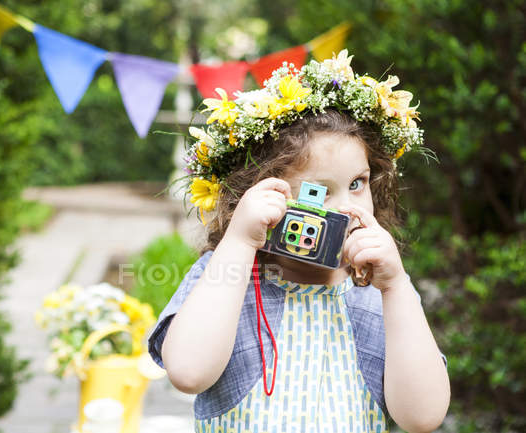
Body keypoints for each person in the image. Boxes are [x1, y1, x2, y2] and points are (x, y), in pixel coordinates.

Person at [148, 50, 450, 433]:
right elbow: (188, 373)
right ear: (262, 200)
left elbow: (423, 417)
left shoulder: (380, 295)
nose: (346, 208)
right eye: (318, 193)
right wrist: (240, 242)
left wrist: (396, 286)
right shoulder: (227, 277)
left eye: (357, 184)